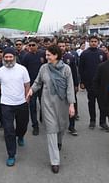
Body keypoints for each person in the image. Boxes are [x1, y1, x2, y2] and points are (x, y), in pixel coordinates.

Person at [27, 45, 75, 174]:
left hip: (62, 103)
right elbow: (38, 82)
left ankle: (60, 141)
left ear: (56, 55)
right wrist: (31, 90)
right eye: (46, 55)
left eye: (48, 55)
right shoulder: (43, 68)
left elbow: (70, 88)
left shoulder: (66, 69)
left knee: (61, 126)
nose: (46, 57)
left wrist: (71, 104)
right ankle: (55, 161)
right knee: (51, 129)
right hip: (47, 103)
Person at [0, 47, 30, 167]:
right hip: (6, 104)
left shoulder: (22, 69)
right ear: (3, 58)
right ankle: (11, 155)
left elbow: (27, 84)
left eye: (10, 57)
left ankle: (21, 135)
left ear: (14, 57)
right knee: (8, 130)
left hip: (21, 102)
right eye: (6, 57)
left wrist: (27, 97)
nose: (8, 59)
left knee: (23, 125)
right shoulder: (0, 71)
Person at [79, 36, 109, 130]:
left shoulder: (102, 53)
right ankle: (92, 121)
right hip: (89, 83)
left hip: (101, 83)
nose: (93, 43)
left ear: (98, 42)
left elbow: (106, 67)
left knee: (102, 104)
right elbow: (81, 68)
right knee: (91, 102)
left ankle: (103, 122)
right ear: (89, 42)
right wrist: (82, 82)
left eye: (95, 41)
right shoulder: (84, 54)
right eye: (91, 41)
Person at [22, 38, 46, 135]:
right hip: (32, 85)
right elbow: (23, 71)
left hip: (43, 84)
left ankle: (42, 117)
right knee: (32, 106)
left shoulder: (43, 54)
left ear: (37, 45)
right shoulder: (26, 57)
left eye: (33, 45)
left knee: (43, 104)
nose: (31, 47)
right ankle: (35, 125)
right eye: (30, 45)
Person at [57, 40, 79, 136]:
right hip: (57, 87)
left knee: (72, 105)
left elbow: (75, 72)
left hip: (69, 86)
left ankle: (72, 126)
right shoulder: (52, 58)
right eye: (60, 46)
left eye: (63, 46)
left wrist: (76, 84)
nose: (62, 48)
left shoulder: (70, 57)